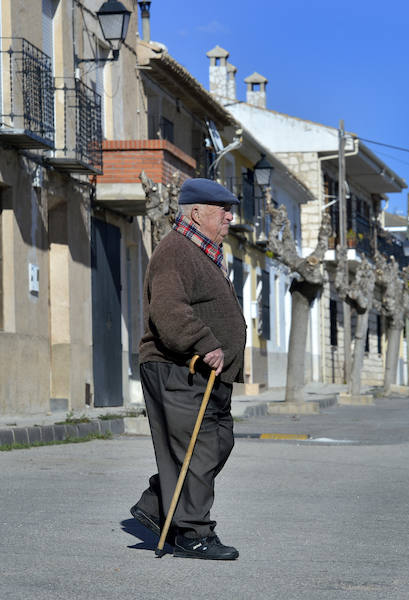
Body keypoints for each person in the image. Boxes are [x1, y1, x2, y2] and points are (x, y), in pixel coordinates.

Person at [130, 178, 246, 560]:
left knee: (217, 443)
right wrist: (205, 342)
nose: (230, 216)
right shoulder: (176, 251)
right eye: (222, 210)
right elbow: (168, 310)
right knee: (198, 450)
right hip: (178, 367)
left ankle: (156, 504)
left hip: (205, 373)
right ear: (196, 213)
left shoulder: (203, 251)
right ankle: (193, 534)